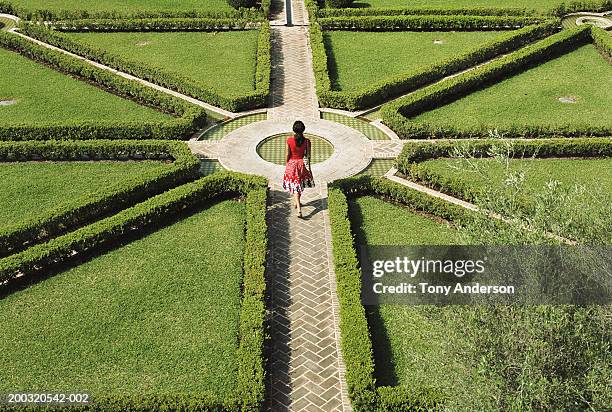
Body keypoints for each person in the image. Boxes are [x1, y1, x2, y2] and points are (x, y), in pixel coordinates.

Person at [282, 120, 314, 218]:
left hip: (292, 164)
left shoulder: (289, 140)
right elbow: (308, 155)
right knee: (299, 184)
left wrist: (287, 163)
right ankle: (297, 202)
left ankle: (299, 209)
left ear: (294, 129)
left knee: (295, 186)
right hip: (301, 165)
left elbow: (288, 154)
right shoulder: (307, 141)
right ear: (303, 129)